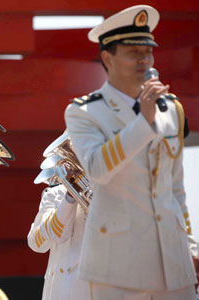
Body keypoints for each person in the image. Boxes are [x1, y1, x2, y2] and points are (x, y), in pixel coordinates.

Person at [64, 5, 198, 299]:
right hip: (117, 266)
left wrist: (189, 246)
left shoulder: (171, 109)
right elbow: (98, 170)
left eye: (147, 52)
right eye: (133, 52)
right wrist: (143, 121)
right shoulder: (84, 112)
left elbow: (175, 187)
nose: (144, 60)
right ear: (107, 58)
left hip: (172, 260)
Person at [27, 138, 90, 299]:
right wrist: (70, 196)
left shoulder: (109, 189)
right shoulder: (55, 193)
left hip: (91, 284)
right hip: (59, 288)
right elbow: (39, 242)